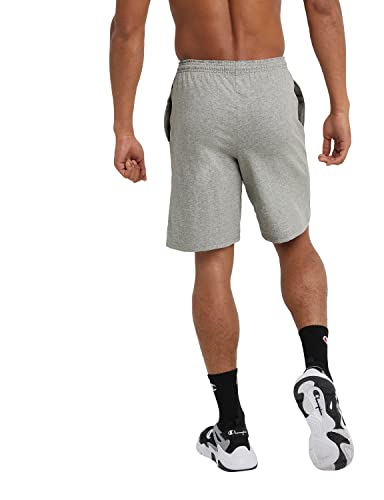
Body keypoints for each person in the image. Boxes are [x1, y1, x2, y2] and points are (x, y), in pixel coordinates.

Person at [110, 0, 353, 472]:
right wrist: (339, 104)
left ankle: (234, 431)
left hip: (200, 93)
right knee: (295, 242)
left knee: (213, 261)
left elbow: (126, 29)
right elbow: (323, 8)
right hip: (268, 85)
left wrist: (123, 127)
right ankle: (317, 369)